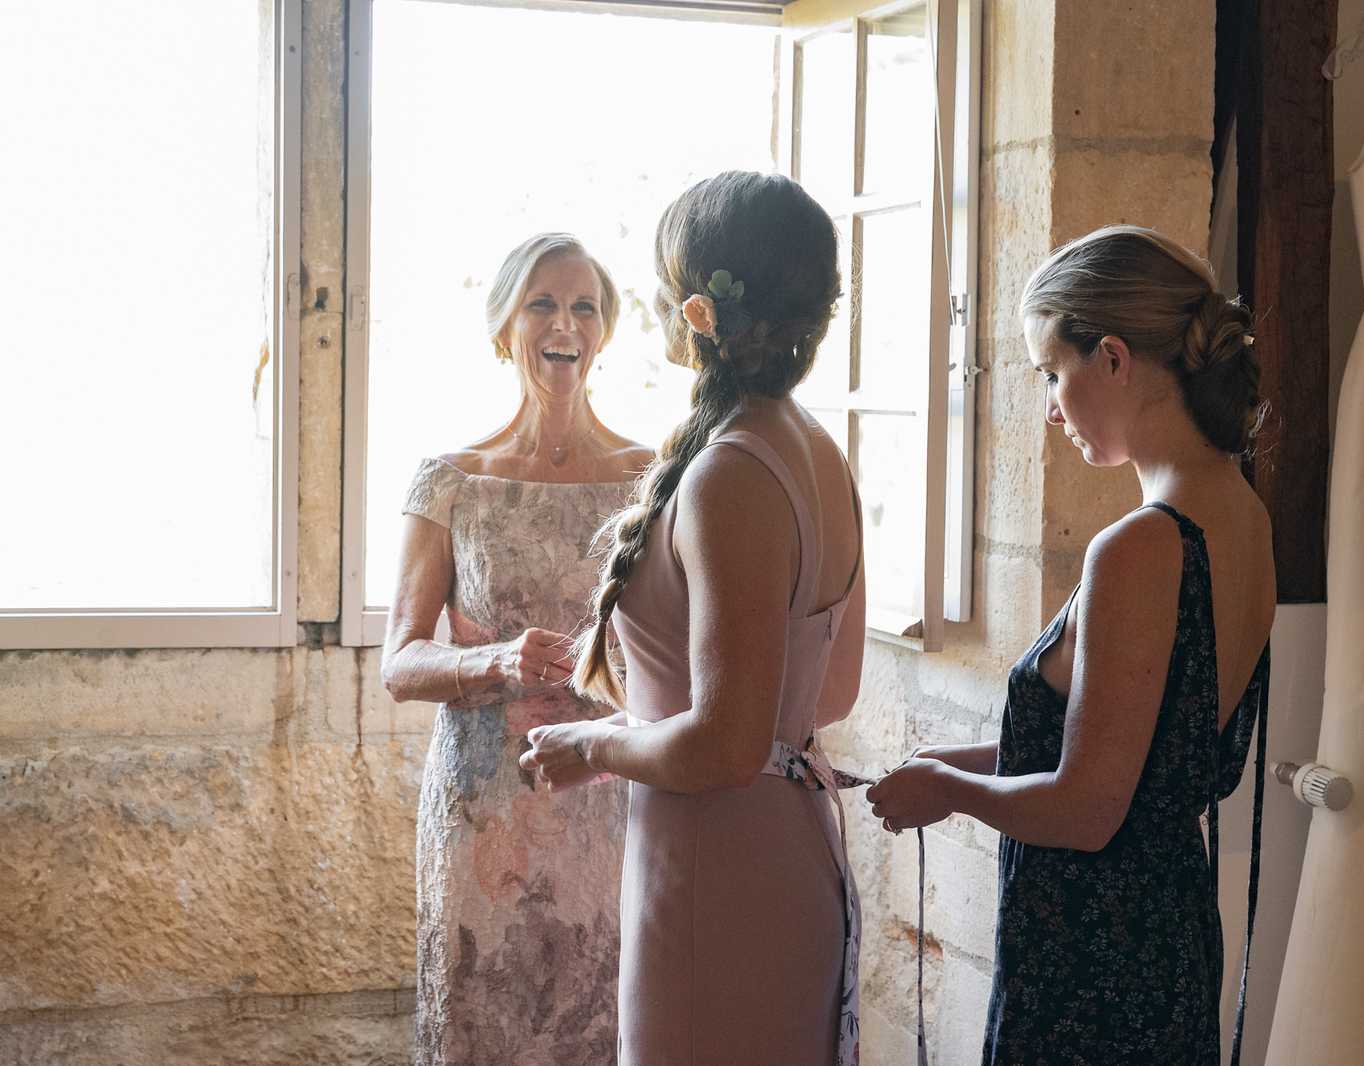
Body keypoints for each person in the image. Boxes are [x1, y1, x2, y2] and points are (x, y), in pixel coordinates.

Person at [867, 225, 1275, 1065]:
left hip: (1094, 957)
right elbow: (1137, 753)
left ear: (1114, 358)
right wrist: (964, 760)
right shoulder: (1243, 515)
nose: (1051, 409)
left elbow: (1089, 810)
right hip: (1169, 938)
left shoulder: (1139, 546)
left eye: (1052, 373)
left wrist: (948, 790)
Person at [519, 171, 867, 1066]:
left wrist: (593, 744)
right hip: (787, 851)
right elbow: (828, 695)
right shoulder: (820, 451)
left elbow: (725, 746)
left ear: (699, 311)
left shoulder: (729, 474)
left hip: (719, 867)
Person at [380, 234, 651, 1065]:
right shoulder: (451, 481)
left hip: (610, 796)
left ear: (603, 333)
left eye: (583, 307)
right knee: (482, 1025)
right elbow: (400, 663)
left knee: (603, 1019)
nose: (564, 324)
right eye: (542, 305)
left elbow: (680, 646)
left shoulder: (651, 478)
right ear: (505, 330)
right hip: (484, 810)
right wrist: (492, 662)